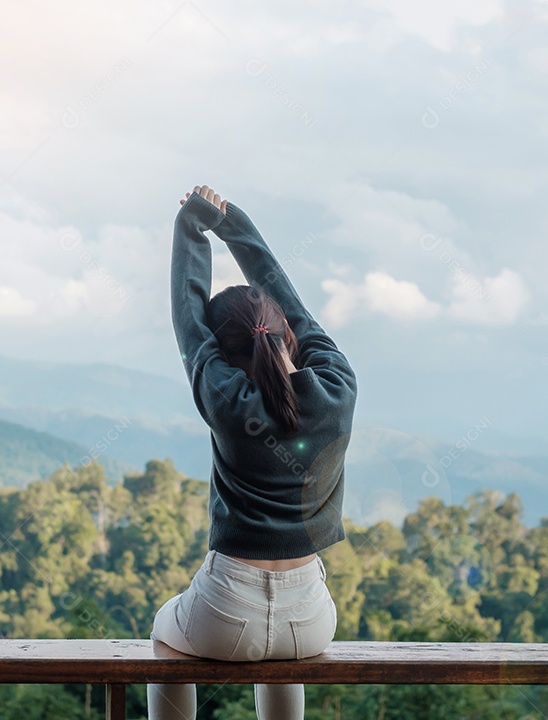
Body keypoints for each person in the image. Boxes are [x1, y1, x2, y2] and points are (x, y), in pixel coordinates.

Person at [148, 185, 358, 720]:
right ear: (285, 333)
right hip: (309, 617)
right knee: (282, 661)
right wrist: (230, 222)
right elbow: (291, 307)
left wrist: (190, 227)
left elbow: (189, 322)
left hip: (224, 610)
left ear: (221, 354)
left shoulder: (227, 399)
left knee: (164, 633)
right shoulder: (337, 388)